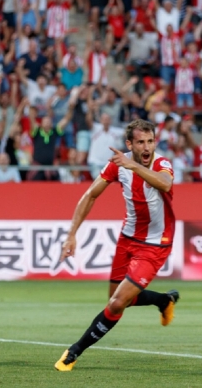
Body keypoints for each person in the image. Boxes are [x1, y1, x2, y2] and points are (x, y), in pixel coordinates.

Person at [54, 119, 179, 371]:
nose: (147, 147)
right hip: (128, 238)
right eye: (140, 142)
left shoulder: (161, 163)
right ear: (129, 144)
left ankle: (74, 352)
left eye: (150, 141)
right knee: (118, 299)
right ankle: (163, 301)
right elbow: (90, 195)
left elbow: (165, 183)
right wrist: (71, 234)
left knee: (115, 304)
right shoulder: (118, 166)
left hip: (155, 244)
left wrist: (132, 165)